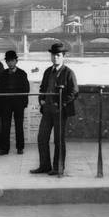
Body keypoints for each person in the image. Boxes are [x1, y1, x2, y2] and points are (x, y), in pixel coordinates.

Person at [30, 43, 79, 177]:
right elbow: (42, 88)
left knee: (59, 140)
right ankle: (44, 166)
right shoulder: (47, 71)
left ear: (63, 56)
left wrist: (61, 103)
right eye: (53, 55)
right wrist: (41, 99)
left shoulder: (68, 72)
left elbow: (74, 92)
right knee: (41, 138)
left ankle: (58, 168)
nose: (55, 57)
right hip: (47, 111)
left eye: (58, 55)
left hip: (60, 112)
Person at [0, 49, 30, 155]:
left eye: (12, 60)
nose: (10, 63)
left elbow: (26, 89)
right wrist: (1, 103)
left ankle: (20, 147)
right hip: (5, 104)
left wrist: (23, 103)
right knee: (5, 126)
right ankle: (4, 148)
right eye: (8, 61)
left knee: (19, 125)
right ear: (6, 62)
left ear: (16, 61)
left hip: (18, 104)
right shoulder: (3, 74)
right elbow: (0, 89)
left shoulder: (22, 73)